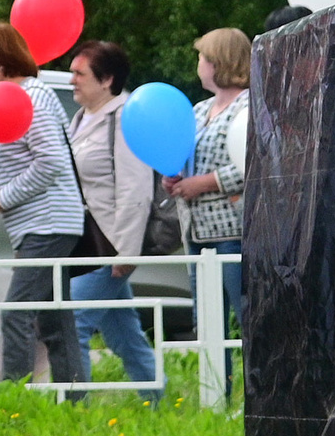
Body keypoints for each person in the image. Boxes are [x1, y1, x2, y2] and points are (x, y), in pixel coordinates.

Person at [0, 22, 89, 394]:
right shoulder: (17, 97)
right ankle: (75, 398)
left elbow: (50, 162)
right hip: (44, 222)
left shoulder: (31, 97)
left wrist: (0, 198)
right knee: (55, 320)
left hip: (48, 223)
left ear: (2, 60)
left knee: (16, 311)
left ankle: (13, 400)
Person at [65, 40, 161, 391]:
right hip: (86, 243)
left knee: (71, 322)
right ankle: (156, 398)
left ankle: (75, 408)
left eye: (79, 73)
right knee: (122, 331)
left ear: (106, 80)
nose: (71, 79)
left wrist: (127, 251)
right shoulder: (79, 119)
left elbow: (136, 187)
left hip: (110, 243)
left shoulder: (124, 118)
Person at [167, 27, 251, 359]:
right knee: (207, 323)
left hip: (234, 230)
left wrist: (203, 183)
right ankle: (216, 396)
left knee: (246, 320)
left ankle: (256, 399)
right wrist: (174, 179)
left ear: (218, 61)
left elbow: (253, 163)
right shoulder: (199, 110)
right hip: (197, 231)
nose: (198, 63)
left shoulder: (250, 104)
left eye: (202, 57)